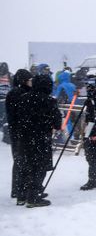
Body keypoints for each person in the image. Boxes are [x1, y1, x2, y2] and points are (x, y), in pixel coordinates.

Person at [20, 74, 60, 207]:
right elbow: (57, 124)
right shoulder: (49, 101)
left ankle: (27, 193)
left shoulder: (24, 98)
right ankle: (33, 197)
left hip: (26, 139)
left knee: (29, 166)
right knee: (40, 167)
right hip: (42, 139)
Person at [6, 69, 32, 204]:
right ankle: (21, 189)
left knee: (18, 160)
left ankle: (18, 189)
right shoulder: (20, 94)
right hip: (20, 131)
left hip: (16, 130)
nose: (32, 82)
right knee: (22, 160)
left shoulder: (14, 92)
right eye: (30, 80)